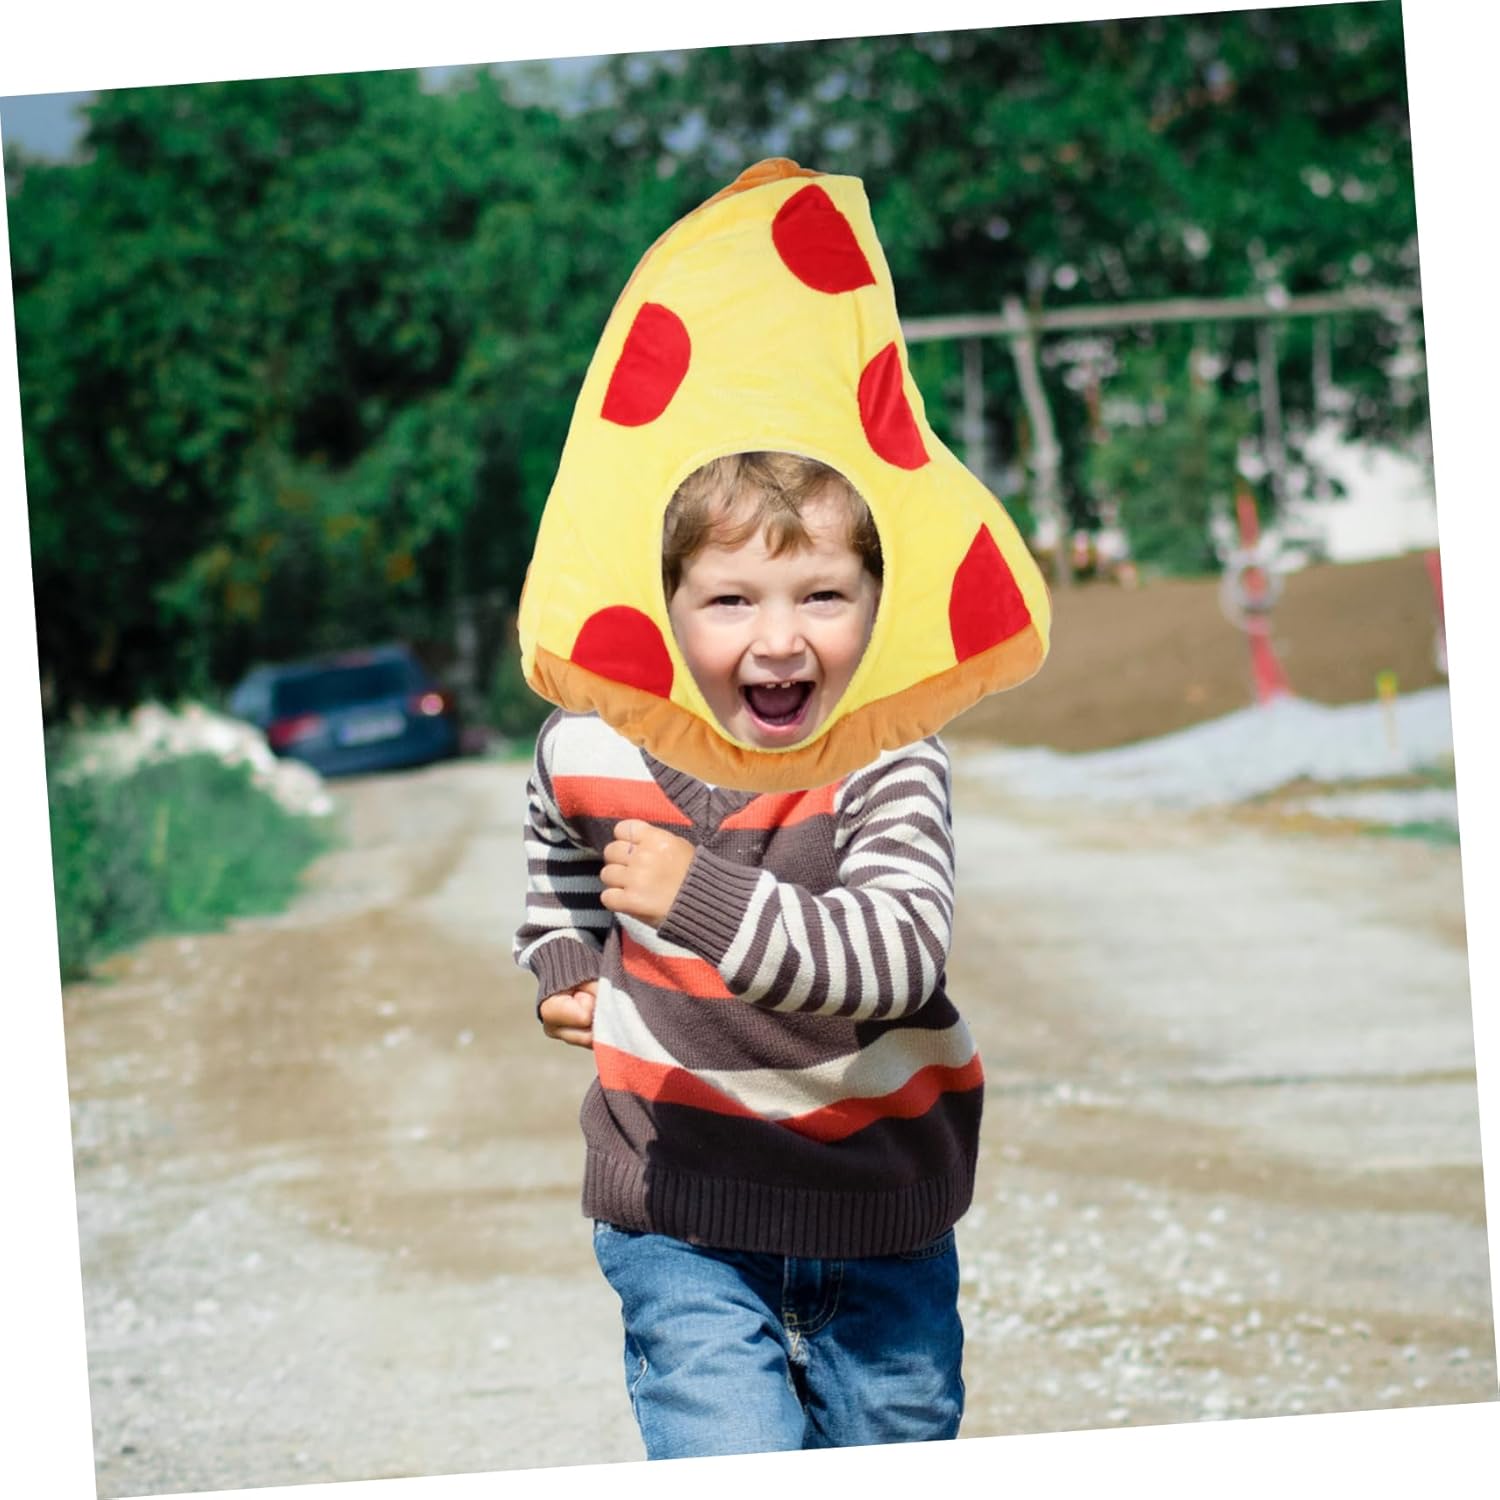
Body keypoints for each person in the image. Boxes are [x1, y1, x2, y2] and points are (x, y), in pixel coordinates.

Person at [512, 450, 980, 1459]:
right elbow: (558, 842)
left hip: (877, 1207)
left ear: (879, 604)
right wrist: (566, 960)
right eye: (730, 600)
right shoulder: (588, 743)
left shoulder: (887, 754)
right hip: (679, 1207)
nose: (779, 639)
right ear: (665, 609)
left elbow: (899, 954)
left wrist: (698, 897)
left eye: (822, 595)